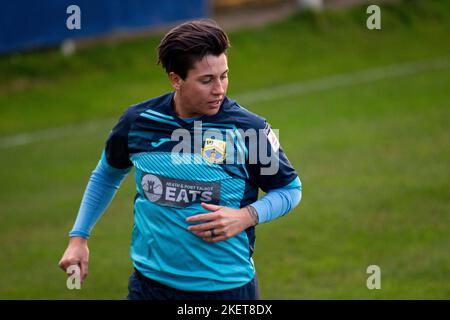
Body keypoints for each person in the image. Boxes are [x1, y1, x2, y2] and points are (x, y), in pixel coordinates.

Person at [59, 19, 302, 300]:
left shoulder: (249, 130)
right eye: (207, 80)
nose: (220, 89)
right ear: (176, 79)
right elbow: (106, 174)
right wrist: (79, 237)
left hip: (226, 290)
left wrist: (246, 216)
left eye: (224, 75)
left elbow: (290, 190)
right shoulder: (139, 123)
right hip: (148, 286)